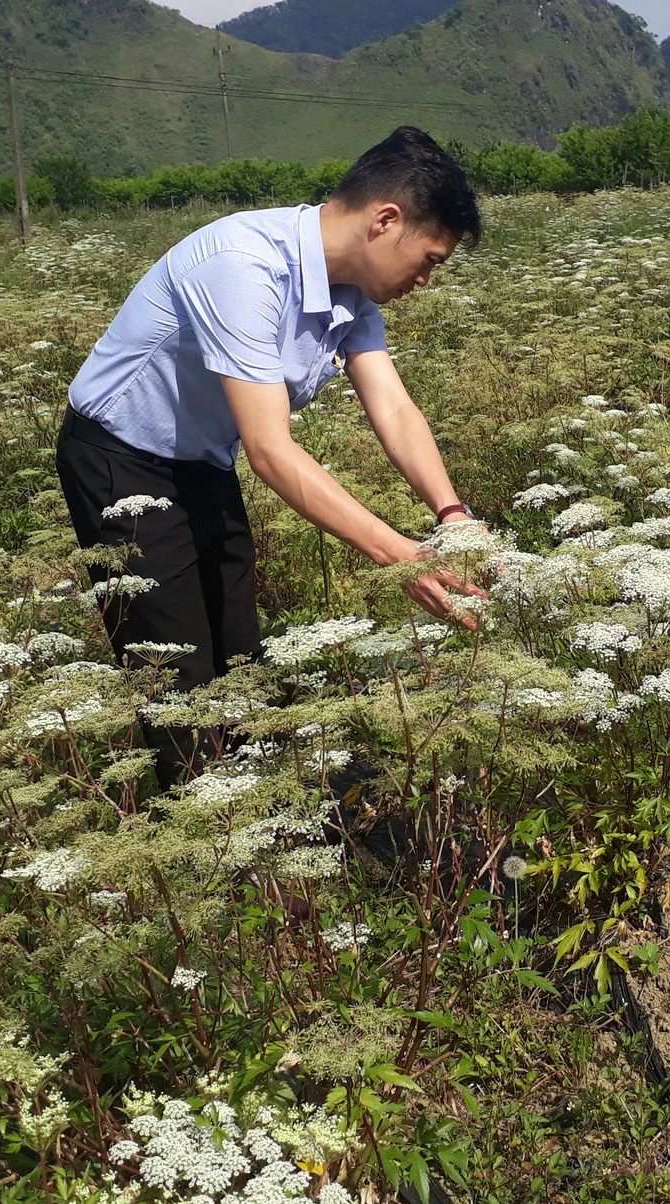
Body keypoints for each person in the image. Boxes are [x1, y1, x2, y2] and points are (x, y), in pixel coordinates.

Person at [55, 126, 486, 785]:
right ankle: (204, 850)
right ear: (385, 220)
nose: (425, 279)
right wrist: (397, 554)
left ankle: (264, 822)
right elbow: (271, 450)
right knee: (177, 674)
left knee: (241, 655)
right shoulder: (241, 265)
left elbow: (392, 406)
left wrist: (450, 513)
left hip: (200, 460)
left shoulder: (353, 290)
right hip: (120, 462)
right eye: (428, 259)